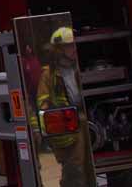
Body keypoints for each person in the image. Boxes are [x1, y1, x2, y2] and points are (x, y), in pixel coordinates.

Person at [36, 26, 95, 186]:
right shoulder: (49, 75)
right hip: (68, 127)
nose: (74, 48)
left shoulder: (80, 67)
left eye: (75, 44)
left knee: (91, 167)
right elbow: (43, 102)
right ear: (59, 49)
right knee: (74, 170)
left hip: (86, 121)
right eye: (70, 45)